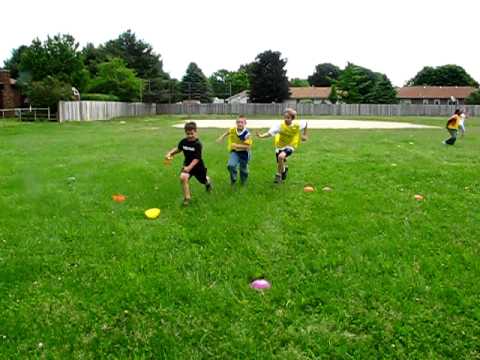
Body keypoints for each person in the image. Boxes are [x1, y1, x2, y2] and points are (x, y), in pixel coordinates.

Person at [165, 122, 212, 206]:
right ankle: (187, 198)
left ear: (196, 132)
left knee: (203, 180)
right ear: (185, 133)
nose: (190, 136)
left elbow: (196, 159)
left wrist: (189, 168)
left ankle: (208, 182)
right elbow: (179, 149)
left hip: (198, 167)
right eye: (188, 134)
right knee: (183, 178)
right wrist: (170, 153)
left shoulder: (198, 144)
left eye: (192, 133)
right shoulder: (184, 141)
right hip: (187, 164)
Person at [256, 108, 308, 183]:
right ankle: (284, 171)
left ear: (292, 118)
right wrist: (261, 136)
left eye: (288, 118)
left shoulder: (297, 124)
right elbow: (269, 133)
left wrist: (305, 135)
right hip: (280, 145)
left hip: (291, 144)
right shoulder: (279, 125)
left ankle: (278, 175)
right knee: (280, 162)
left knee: (281, 157)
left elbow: (306, 123)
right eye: (285, 117)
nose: (286, 119)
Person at [216, 115, 252, 185]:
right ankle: (233, 179)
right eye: (238, 122)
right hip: (235, 152)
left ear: (245, 123)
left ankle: (243, 182)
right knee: (230, 165)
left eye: (242, 122)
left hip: (244, 153)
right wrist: (221, 137)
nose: (240, 124)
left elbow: (248, 147)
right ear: (236, 123)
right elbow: (228, 132)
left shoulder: (247, 134)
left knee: (243, 170)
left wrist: (236, 145)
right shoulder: (233, 130)